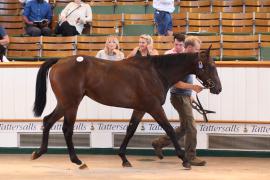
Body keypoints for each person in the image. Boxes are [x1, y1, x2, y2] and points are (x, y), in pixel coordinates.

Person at [152, 36, 206, 166]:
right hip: (179, 97)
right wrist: (193, 88)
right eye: (197, 49)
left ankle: (159, 143)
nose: (198, 52)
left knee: (183, 128)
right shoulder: (179, 61)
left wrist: (189, 95)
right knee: (191, 127)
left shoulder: (187, 60)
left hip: (183, 97)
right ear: (189, 48)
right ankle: (191, 157)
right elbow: (175, 83)